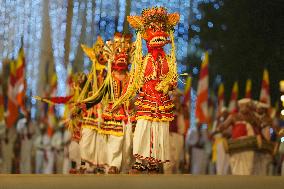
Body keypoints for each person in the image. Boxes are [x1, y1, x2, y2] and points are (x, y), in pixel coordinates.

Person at [111, 6, 180, 174]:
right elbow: (134, 81)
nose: (159, 33)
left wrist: (168, 85)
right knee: (143, 128)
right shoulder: (142, 60)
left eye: (162, 29)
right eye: (154, 29)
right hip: (146, 99)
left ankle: (154, 162)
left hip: (161, 100)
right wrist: (122, 99)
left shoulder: (168, 60)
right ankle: (141, 160)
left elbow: (174, 80)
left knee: (159, 130)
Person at [81, 33, 134, 174]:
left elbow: (138, 93)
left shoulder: (131, 78)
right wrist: (86, 104)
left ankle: (123, 167)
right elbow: (99, 95)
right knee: (115, 141)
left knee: (128, 145)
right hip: (113, 114)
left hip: (128, 115)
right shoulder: (110, 78)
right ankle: (113, 165)